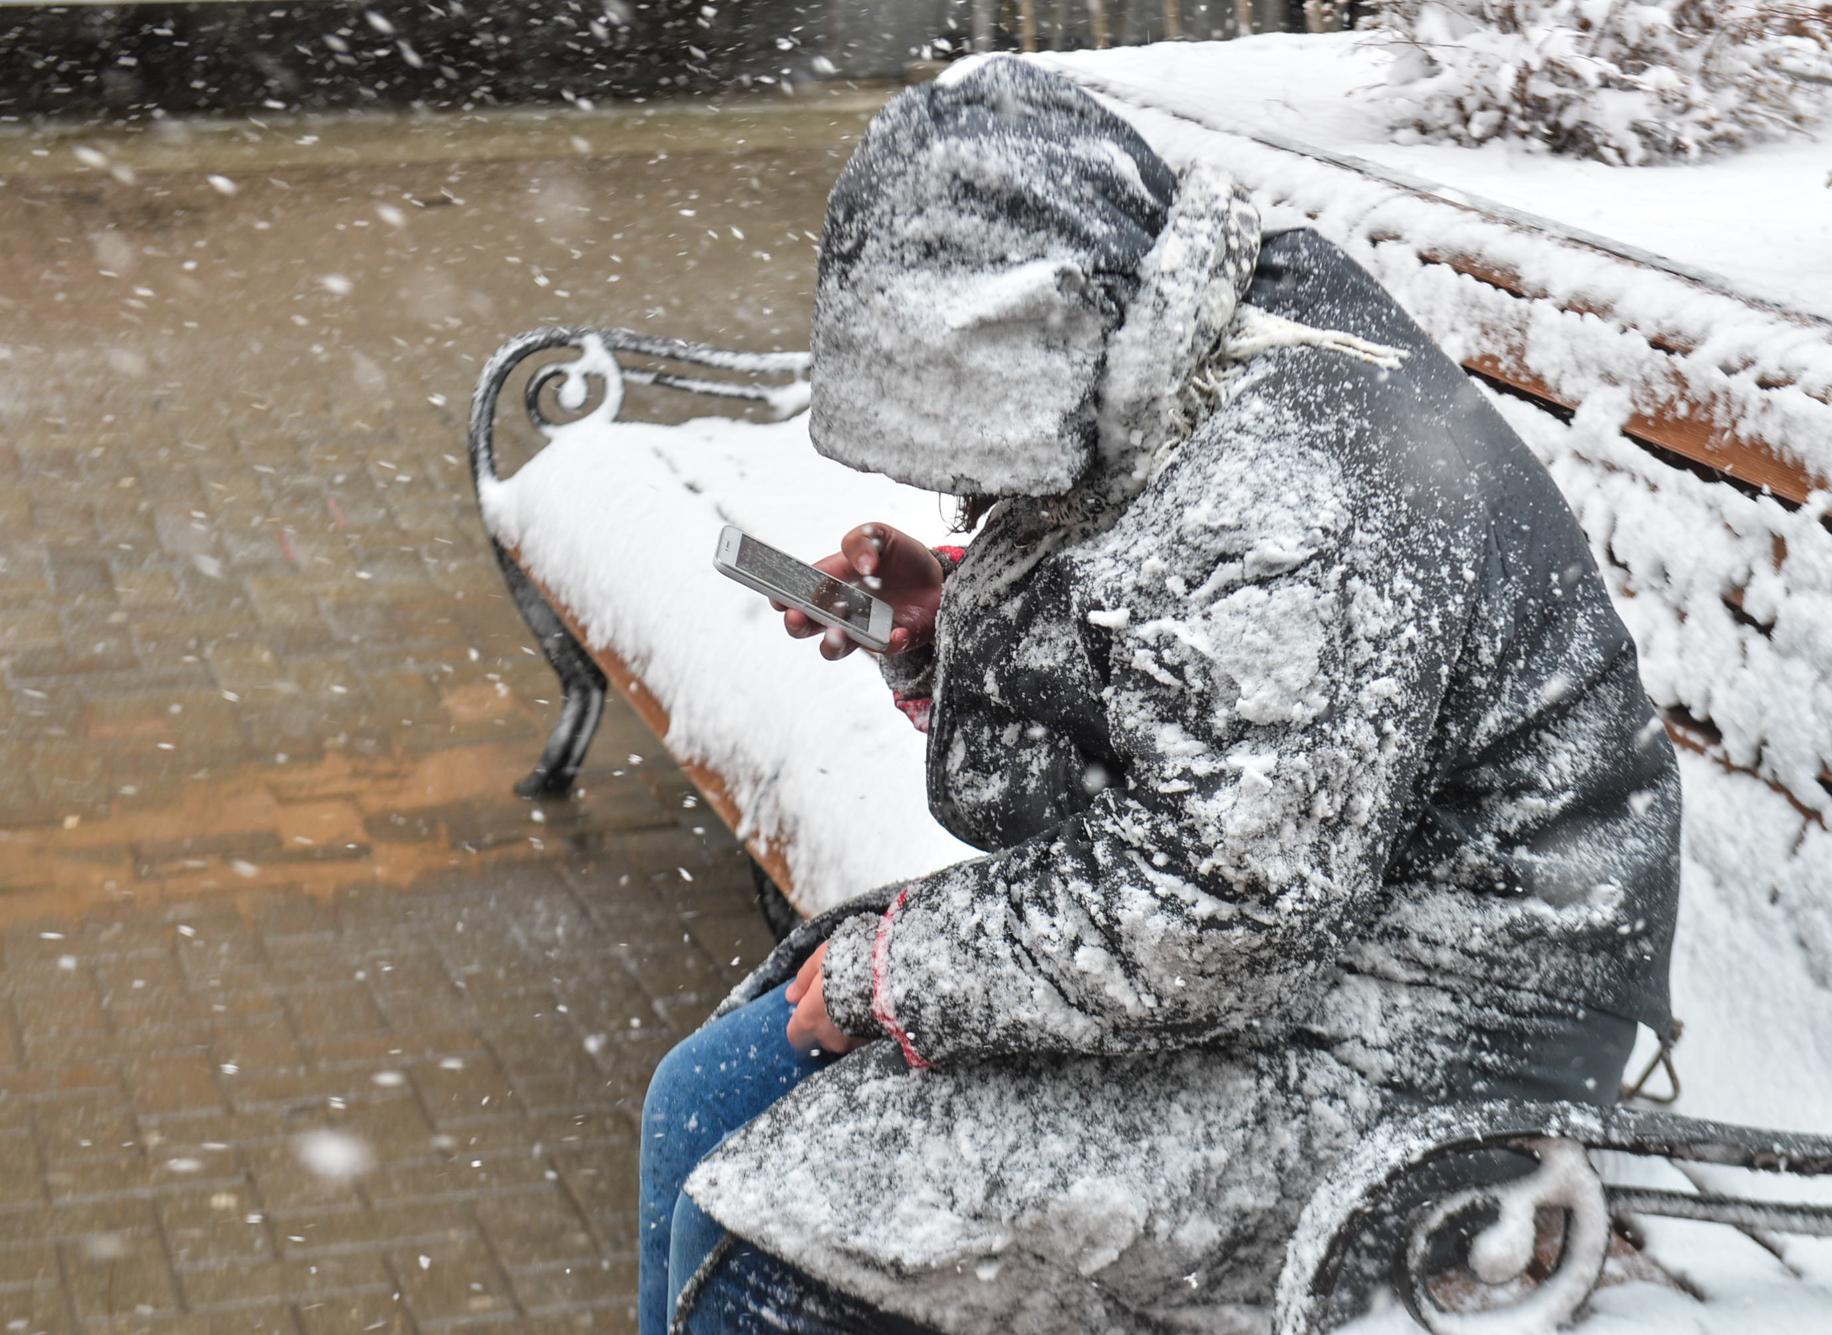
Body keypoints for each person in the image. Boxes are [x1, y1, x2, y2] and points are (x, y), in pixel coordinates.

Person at [639, 56, 1680, 1335]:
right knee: (701, 1104)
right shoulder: (1171, 349)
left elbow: (1218, 907)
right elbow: (1196, 690)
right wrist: (945, 621)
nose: (970, 478)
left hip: (1441, 1029)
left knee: (760, 1256)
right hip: (1311, 928)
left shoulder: (1293, 492)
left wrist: (898, 971)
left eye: (968, 431)